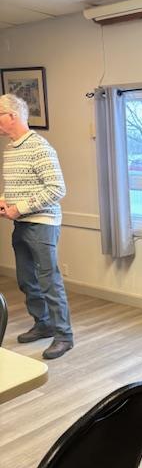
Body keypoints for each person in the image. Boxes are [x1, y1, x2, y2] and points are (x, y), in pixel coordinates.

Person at [0, 94, 73, 360]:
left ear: (12, 116)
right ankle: (43, 324)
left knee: (48, 281)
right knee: (26, 280)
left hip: (42, 224)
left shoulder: (40, 147)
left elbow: (57, 189)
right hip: (21, 223)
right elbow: (18, 186)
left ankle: (64, 336)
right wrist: (5, 200)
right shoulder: (10, 148)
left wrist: (19, 208)